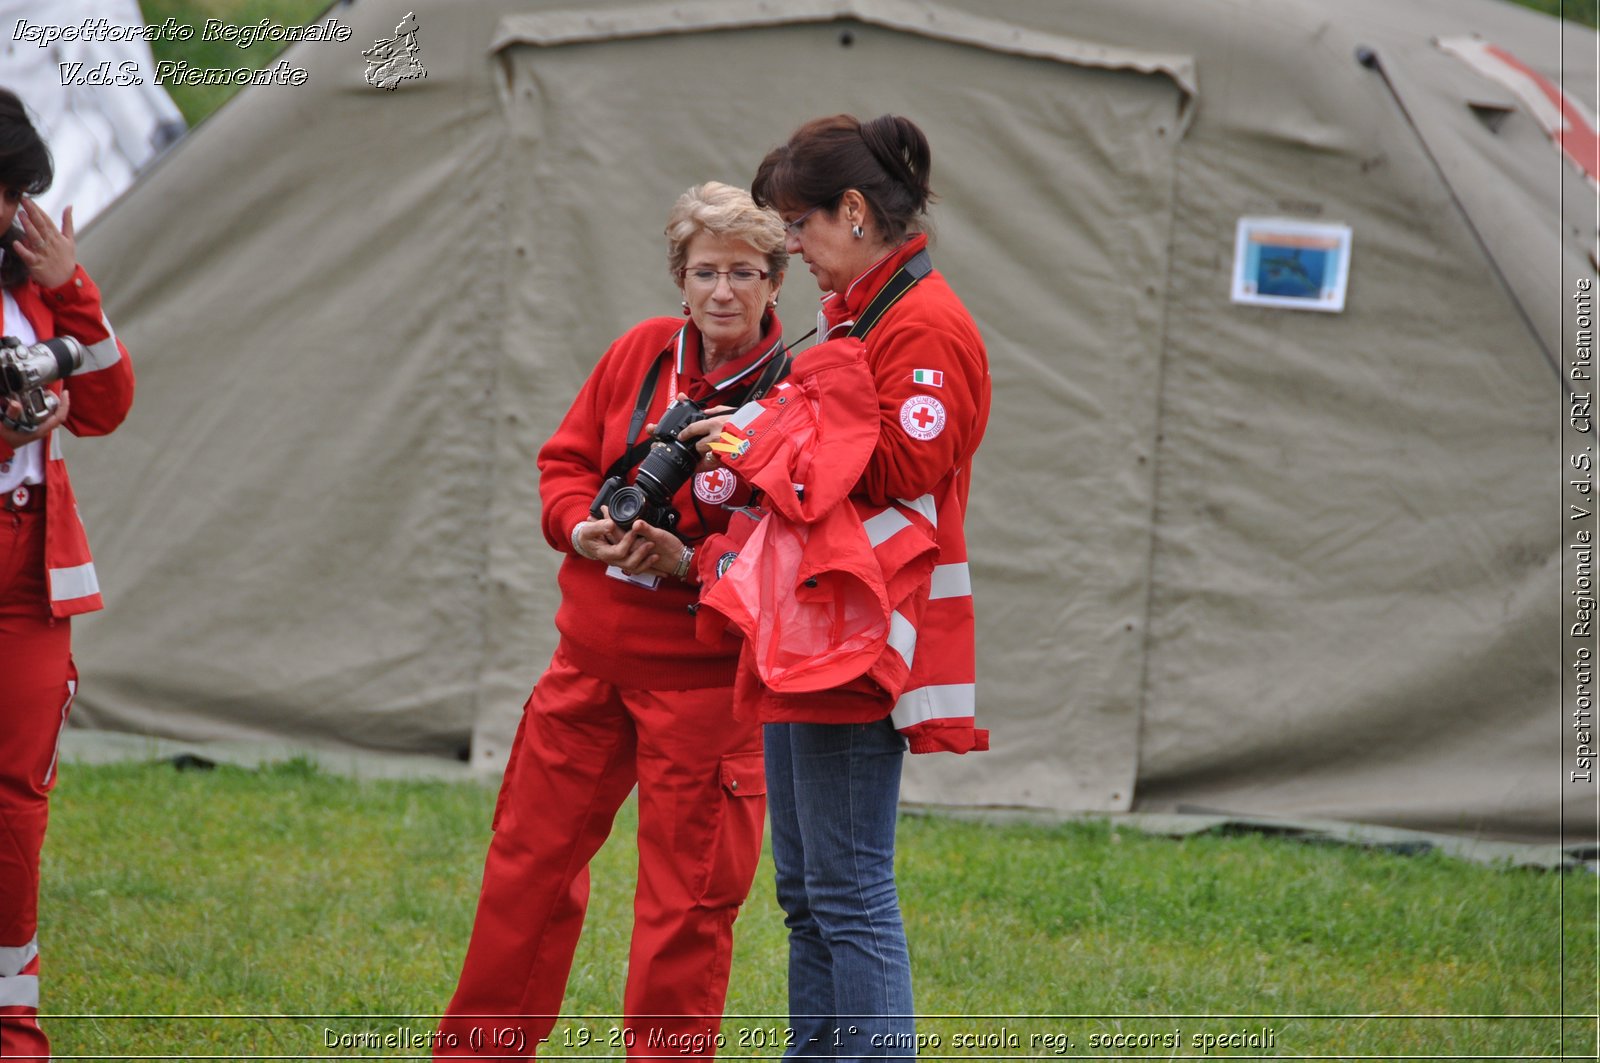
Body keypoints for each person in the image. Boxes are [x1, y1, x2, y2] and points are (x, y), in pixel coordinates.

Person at [436, 182, 787, 1059]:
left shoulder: (796, 390)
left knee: (685, 906)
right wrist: (581, 528)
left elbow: (795, 544)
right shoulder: (638, 354)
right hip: (587, 664)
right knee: (527, 870)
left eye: (745, 271)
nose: (723, 292)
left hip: (705, 688)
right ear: (679, 277)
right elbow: (562, 464)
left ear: (777, 282)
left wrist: (690, 563)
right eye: (706, 270)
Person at [683, 114, 991, 1059]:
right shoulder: (868, 313)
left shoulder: (925, 322)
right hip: (811, 619)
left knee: (851, 890)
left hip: (857, 629)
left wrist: (777, 421)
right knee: (807, 891)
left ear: (853, 212)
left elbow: (901, 462)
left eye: (798, 229)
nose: (794, 253)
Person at [0, 87, 135, 1060]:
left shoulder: (36, 284)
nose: (9, 210)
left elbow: (106, 403)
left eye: (12, 192)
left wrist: (74, 285)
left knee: (16, 794)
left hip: (27, 571)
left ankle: (11, 1015)